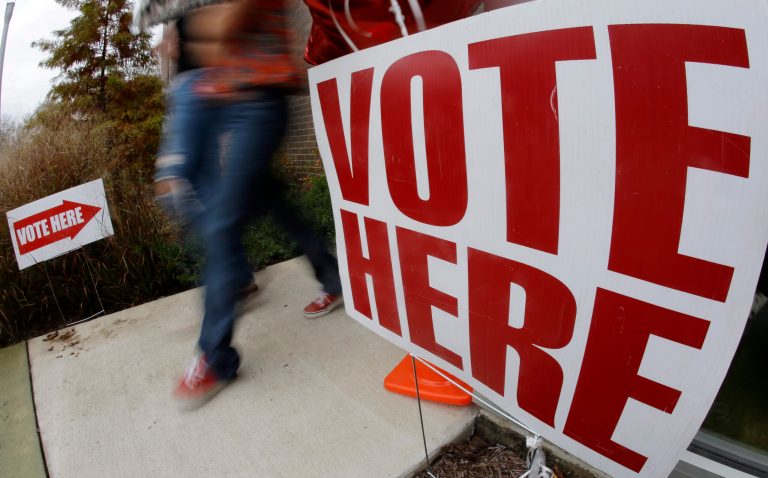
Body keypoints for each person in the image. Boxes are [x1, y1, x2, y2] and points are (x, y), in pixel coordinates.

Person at [158, 0, 343, 405]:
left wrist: (196, 31)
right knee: (274, 202)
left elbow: (229, 24)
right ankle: (333, 277)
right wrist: (181, 37)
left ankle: (216, 359)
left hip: (259, 101)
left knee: (223, 225)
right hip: (232, 101)